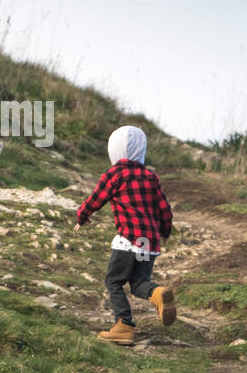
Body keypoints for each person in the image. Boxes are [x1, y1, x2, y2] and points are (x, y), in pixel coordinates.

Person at [74, 125, 176, 346]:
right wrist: (166, 230)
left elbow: (96, 198)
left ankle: (124, 326)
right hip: (148, 243)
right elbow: (164, 208)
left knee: (114, 281)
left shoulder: (116, 174)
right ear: (142, 150)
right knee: (139, 283)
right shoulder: (150, 176)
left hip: (129, 242)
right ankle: (158, 293)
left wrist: (82, 216)